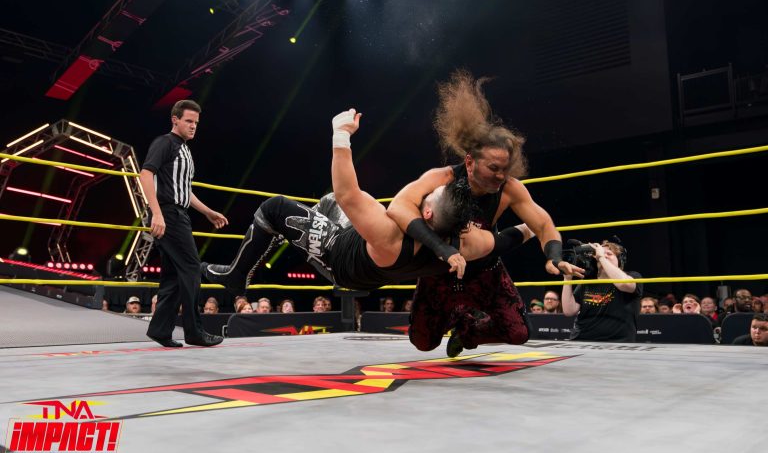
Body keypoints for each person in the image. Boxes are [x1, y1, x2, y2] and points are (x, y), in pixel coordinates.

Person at [202, 109, 533, 300]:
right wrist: (530, 229)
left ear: (427, 212)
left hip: (340, 259)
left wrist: (341, 133)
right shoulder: (466, 246)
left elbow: (348, 192)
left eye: (427, 198)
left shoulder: (389, 233)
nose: (422, 196)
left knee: (274, 208)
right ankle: (297, 234)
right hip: (375, 268)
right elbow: (504, 241)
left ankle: (236, 275)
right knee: (332, 202)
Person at [385, 70, 583, 357]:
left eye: (505, 168)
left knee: (518, 332)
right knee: (423, 343)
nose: (500, 175)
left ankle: (467, 330)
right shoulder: (442, 178)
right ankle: (455, 315)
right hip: (441, 270)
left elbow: (543, 224)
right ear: (470, 162)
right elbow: (397, 206)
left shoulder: (510, 188)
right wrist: (441, 248)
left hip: (485, 271)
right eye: (493, 168)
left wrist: (554, 257)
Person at [139, 99, 228, 348]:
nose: (193, 126)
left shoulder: (185, 150)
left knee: (174, 275)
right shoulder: (165, 142)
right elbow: (145, 174)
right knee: (191, 268)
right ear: (175, 120)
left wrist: (207, 211)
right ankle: (194, 331)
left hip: (177, 213)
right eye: (188, 121)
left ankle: (160, 330)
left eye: (196, 122)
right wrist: (157, 213)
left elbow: (184, 190)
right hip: (169, 215)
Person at [561, 241, 642, 342]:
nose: (604, 255)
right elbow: (569, 310)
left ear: (619, 260)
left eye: (609, 254)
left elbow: (623, 284)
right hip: (582, 340)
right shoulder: (588, 281)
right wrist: (567, 279)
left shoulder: (633, 276)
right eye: (601, 253)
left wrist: (602, 258)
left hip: (617, 342)